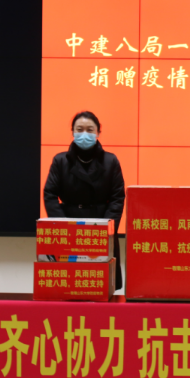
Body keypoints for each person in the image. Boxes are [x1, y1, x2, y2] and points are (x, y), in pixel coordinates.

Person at [44, 111, 125, 289]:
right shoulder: (60, 161)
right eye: (79, 129)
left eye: (90, 130)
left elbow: (117, 197)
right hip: (69, 226)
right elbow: (49, 194)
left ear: (98, 132)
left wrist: (106, 229)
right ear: (72, 132)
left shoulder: (110, 161)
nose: (84, 134)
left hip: (101, 226)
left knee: (102, 285)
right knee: (70, 286)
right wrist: (63, 226)